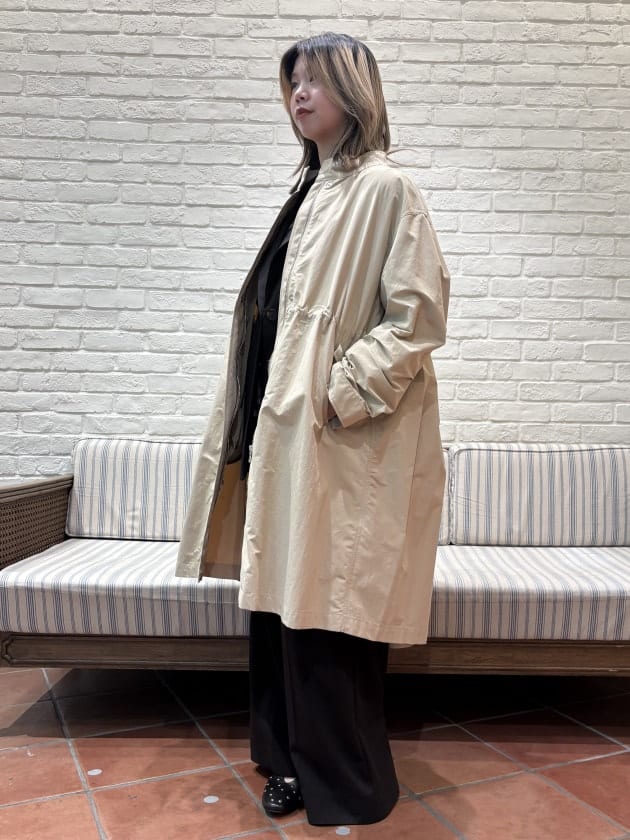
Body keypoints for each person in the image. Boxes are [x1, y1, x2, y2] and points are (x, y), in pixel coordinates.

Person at [175, 32, 450, 826]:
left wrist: (340, 392)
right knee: (279, 604)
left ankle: (343, 783)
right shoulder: (310, 188)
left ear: (353, 91)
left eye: (314, 80)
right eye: (291, 81)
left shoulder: (385, 189)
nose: (298, 94)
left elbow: (417, 318)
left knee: (329, 610)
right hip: (283, 431)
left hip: (335, 436)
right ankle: (286, 760)